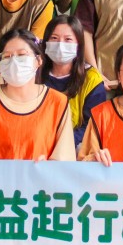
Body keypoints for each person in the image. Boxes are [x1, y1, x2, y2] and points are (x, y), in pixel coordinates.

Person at [0, 29, 75, 161]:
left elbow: (63, 161)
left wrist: (47, 167)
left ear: (38, 60)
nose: (14, 62)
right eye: (7, 57)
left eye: (22, 55)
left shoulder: (57, 103)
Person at [41, 15, 106, 146]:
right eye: (54, 38)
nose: (60, 45)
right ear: (46, 43)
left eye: (68, 39)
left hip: (73, 146)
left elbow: (92, 124)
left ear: (78, 45)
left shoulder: (92, 79)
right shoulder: (34, 74)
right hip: (37, 143)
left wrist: (60, 143)